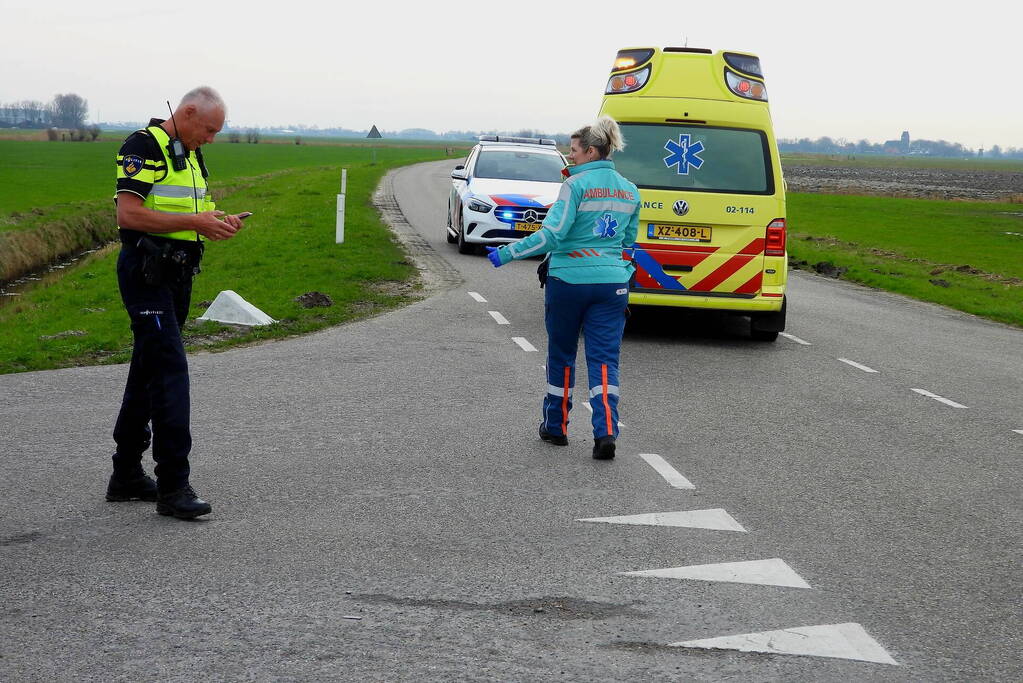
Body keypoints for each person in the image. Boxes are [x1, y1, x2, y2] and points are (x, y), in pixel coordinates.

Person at [106, 86, 248, 519]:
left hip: (178, 274)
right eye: (208, 129)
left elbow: (191, 209)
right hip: (145, 273)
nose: (211, 138)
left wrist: (216, 222)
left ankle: (126, 475)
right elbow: (128, 214)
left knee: (148, 369)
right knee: (170, 372)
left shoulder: (191, 154)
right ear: (187, 113)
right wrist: (194, 221)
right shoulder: (143, 146)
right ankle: (173, 485)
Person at [486, 116, 640, 460]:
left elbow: (553, 234)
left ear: (591, 151)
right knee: (604, 361)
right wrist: (618, 270)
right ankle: (606, 432)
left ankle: (556, 427)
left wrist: (507, 253)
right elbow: (629, 244)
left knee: (562, 355)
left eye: (573, 150)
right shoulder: (630, 189)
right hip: (612, 285)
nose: (569, 156)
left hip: (568, 282)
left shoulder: (575, 186)